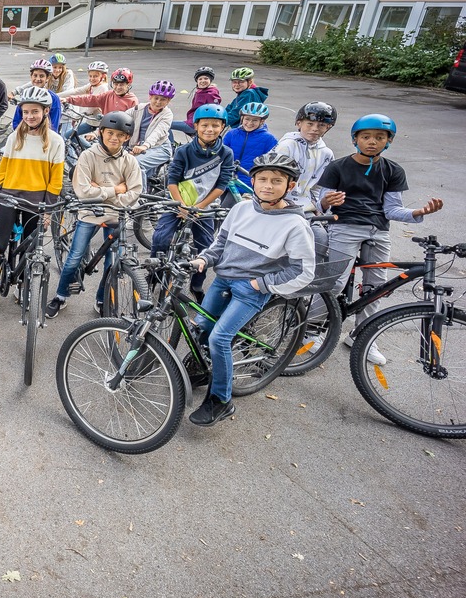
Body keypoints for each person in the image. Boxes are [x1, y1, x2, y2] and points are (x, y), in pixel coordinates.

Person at [188, 152, 316, 426]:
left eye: (276, 181)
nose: (268, 185)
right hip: (223, 280)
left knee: (219, 339)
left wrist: (261, 284)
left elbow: (302, 270)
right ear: (254, 182)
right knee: (201, 326)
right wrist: (204, 259)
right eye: (262, 179)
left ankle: (221, 400)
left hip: (251, 289)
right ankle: (203, 369)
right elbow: (220, 243)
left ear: (290, 186)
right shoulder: (241, 209)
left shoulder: (295, 224)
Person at [318, 114, 444, 364]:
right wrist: (325, 202)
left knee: (377, 288)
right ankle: (315, 330)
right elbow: (322, 204)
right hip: (344, 226)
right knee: (334, 282)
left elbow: (392, 210)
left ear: (388, 141)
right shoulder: (338, 167)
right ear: (355, 139)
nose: (372, 142)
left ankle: (363, 336)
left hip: (378, 230)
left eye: (379, 137)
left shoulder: (393, 170)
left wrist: (417, 213)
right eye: (366, 137)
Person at [45, 112, 142, 319]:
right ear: (101, 132)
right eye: (110, 133)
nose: (114, 138)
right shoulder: (88, 156)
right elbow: (82, 191)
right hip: (90, 213)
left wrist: (102, 192)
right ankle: (60, 296)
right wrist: (115, 190)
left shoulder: (130, 161)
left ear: (127, 137)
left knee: (112, 263)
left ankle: (101, 299)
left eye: (120, 135)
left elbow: (135, 192)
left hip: (116, 215)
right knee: (74, 258)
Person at [0, 87, 66, 310]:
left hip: (36, 201)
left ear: (46, 111)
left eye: (34, 111)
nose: (29, 116)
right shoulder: (15, 137)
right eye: (25, 112)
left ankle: (23, 285)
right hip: (9, 195)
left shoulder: (56, 142)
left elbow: (55, 181)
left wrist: (48, 210)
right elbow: (3, 169)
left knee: (30, 248)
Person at [149, 104, 236, 297]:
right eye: (205, 125)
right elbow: (172, 180)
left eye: (215, 125)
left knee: (205, 246)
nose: (209, 129)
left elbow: (222, 185)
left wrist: (199, 207)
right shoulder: (184, 151)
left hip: (204, 208)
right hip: (178, 203)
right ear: (196, 126)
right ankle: (154, 274)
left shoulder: (226, 154)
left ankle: (197, 284)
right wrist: (181, 206)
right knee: (160, 238)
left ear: (222, 127)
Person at [274, 101, 337, 214]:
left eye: (321, 125)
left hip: (307, 208)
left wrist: (318, 206)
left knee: (320, 232)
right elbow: (274, 177)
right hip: (281, 205)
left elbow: (319, 186)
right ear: (299, 123)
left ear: (328, 127)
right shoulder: (287, 146)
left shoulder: (326, 154)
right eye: (310, 123)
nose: (315, 129)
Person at [61, 67, 138, 144]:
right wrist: (68, 99)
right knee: (69, 135)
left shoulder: (132, 101)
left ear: (128, 85)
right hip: (105, 132)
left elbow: (133, 123)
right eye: (115, 84)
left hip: (120, 138)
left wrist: (96, 133)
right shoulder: (109, 95)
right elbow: (90, 99)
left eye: (121, 85)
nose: (117, 87)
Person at [125, 79, 177, 191]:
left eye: (163, 99)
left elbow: (158, 133)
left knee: (137, 164)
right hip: (139, 147)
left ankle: (140, 198)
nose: (158, 102)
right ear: (150, 97)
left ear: (168, 101)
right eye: (156, 98)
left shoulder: (167, 115)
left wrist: (145, 146)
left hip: (160, 148)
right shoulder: (138, 109)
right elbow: (120, 118)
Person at [223, 102, 277, 191]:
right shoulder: (231, 134)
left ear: (262, 121)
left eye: (255, 120)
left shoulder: (269, 139)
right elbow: (222, 155)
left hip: (249, 184)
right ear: (242, 118)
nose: (250, 123)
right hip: (227, 180)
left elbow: (271, 164)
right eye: (247, 119)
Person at [59, 60, 110, 136]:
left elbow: (91, 107)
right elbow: (77, 91)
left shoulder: (102, 88)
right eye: (90, 76)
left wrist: (76, 117)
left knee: (68, 136)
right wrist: (57, 95)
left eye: (95, 76)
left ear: (103, 76)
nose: (92, 78)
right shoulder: (91, 85)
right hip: (91, 122)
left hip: (98, 124)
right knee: (71, 135)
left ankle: (89, 148)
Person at [11, 60, 63, 133]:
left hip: (44, 137)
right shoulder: (26, 95)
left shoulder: (53, 98)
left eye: (41, 76)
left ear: (47, 78)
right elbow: (17, 120)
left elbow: (54, 124)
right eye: (35, 75)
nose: (38, 79)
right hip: (25, 136)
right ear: (31, 76)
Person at [172, 66, 221, 138]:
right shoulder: (201, 92)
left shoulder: (211, 93)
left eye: (206, 78)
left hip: (194, 124)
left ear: (210, 80)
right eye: (200, 79)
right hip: (192, 122)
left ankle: (169, 146)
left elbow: (214, 111)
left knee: (165, 124)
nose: (202, 81)